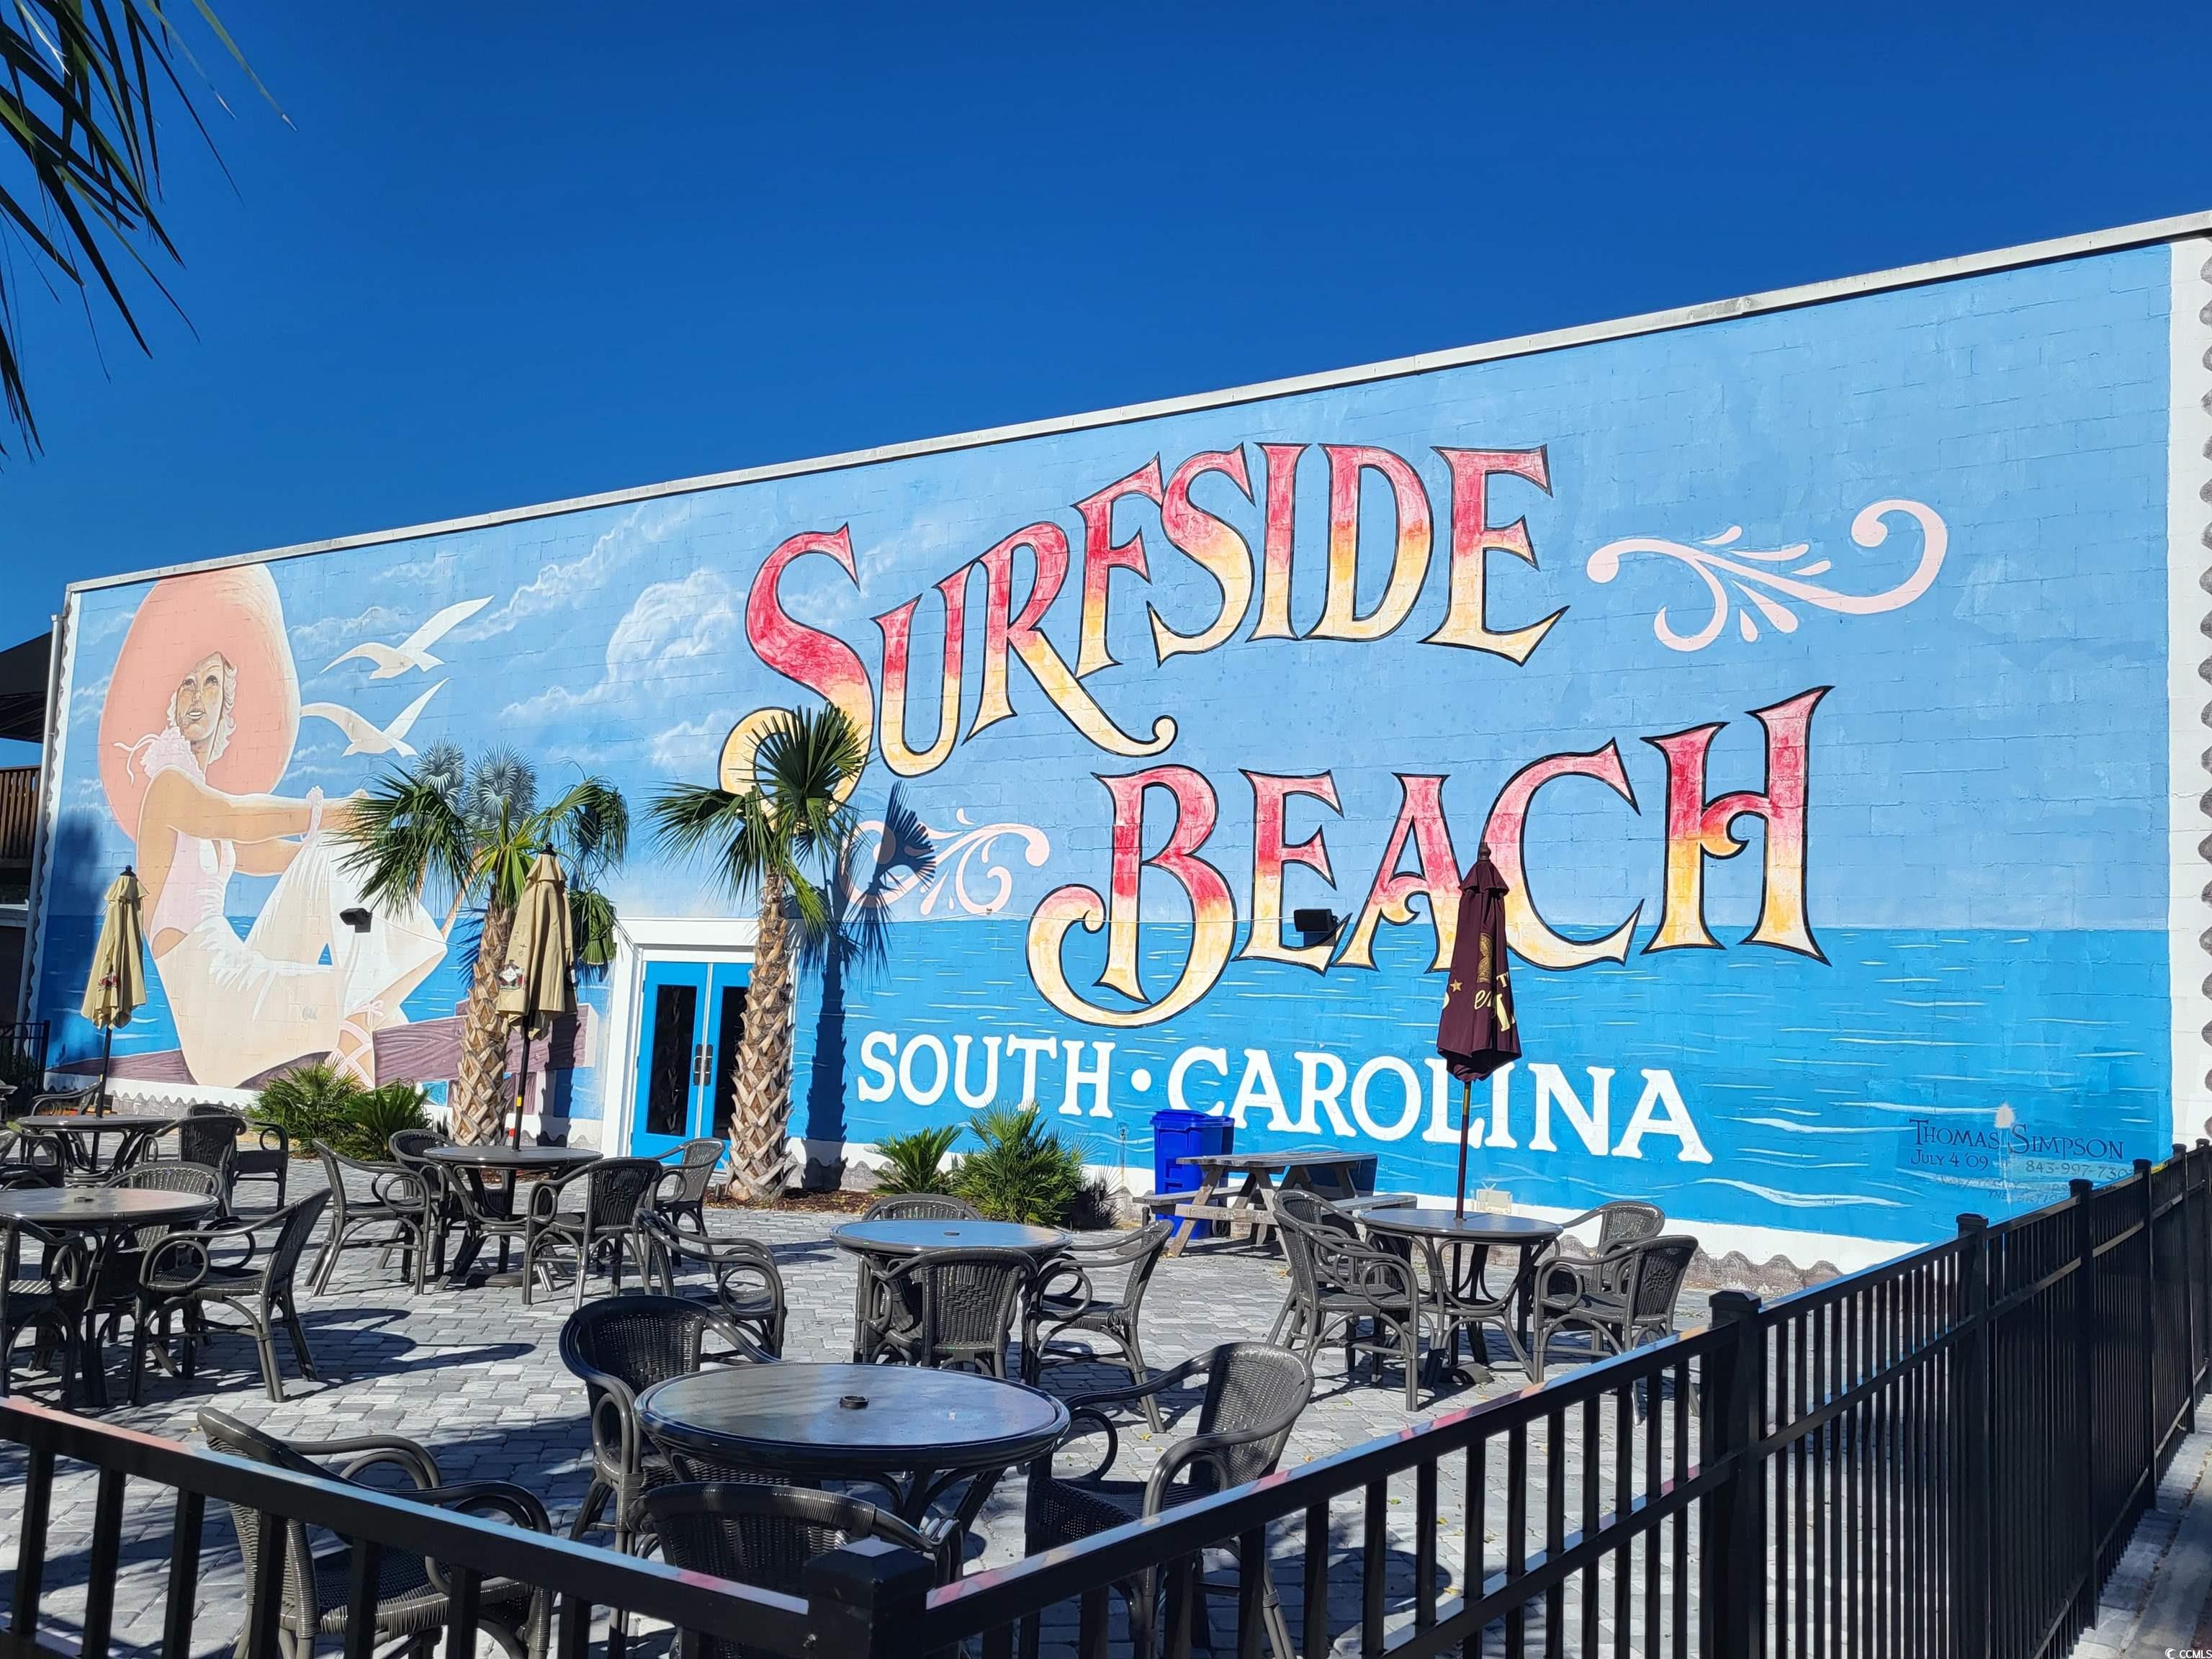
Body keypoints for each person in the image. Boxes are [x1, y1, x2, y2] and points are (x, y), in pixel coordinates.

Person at [96, 567, 445, 1089]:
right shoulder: (168, 787)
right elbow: (236, 816)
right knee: (369, 1008)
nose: (196, 695)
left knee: (327, 857)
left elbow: (288, 855)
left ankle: (362, 1010)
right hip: (215, 1013)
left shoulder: (199, 800)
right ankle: (359, 1027)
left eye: (211, 682)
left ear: (227, 702)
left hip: (238, 977)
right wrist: (328, 812)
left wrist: (378, 848)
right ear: (171, 701)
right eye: (186, 683)